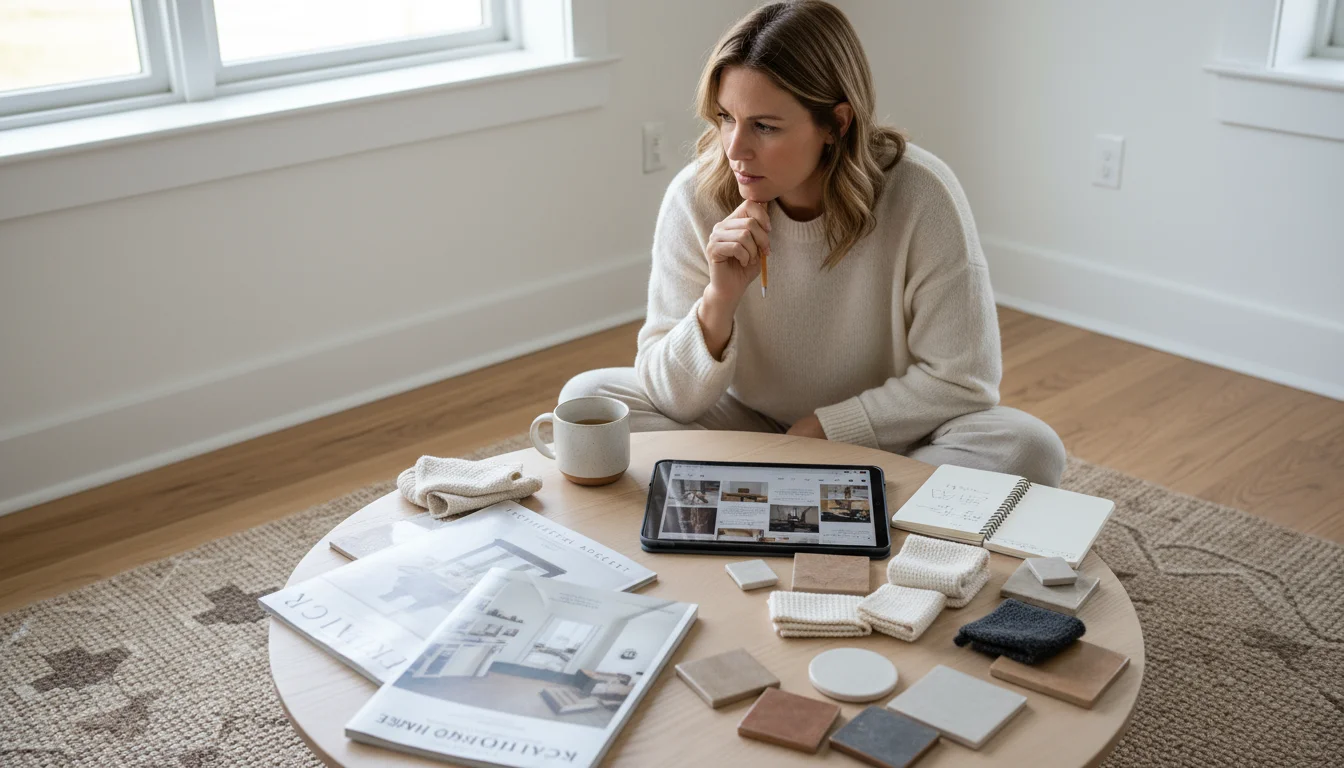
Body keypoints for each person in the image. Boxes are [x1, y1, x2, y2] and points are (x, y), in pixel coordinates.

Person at [560, 0, 1066, 486]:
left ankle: (760, 494)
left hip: (883, 439)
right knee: (588, 398)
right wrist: (719, 301)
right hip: (746, 427)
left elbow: (963, 380)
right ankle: (852, 501)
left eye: (764, 126)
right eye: (725, 118)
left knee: (1028, 447)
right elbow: (667, 393)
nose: (735, 149)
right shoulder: (695, 199)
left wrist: (828, 430)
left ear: (835, 124)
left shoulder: (921, 195)